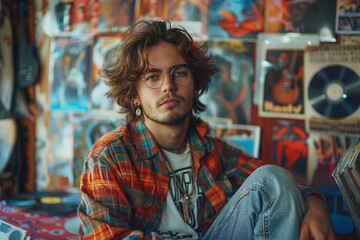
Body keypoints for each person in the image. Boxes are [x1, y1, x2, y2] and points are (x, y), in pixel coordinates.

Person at [77, 19, 335, 239]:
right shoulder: (110, 156)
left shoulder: (211, 151)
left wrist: (314, 202)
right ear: (135, 96)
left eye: (179, 73)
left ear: (194, 84)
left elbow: (276, 186)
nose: (168, 85)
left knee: (273, 178)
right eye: (152, 77)